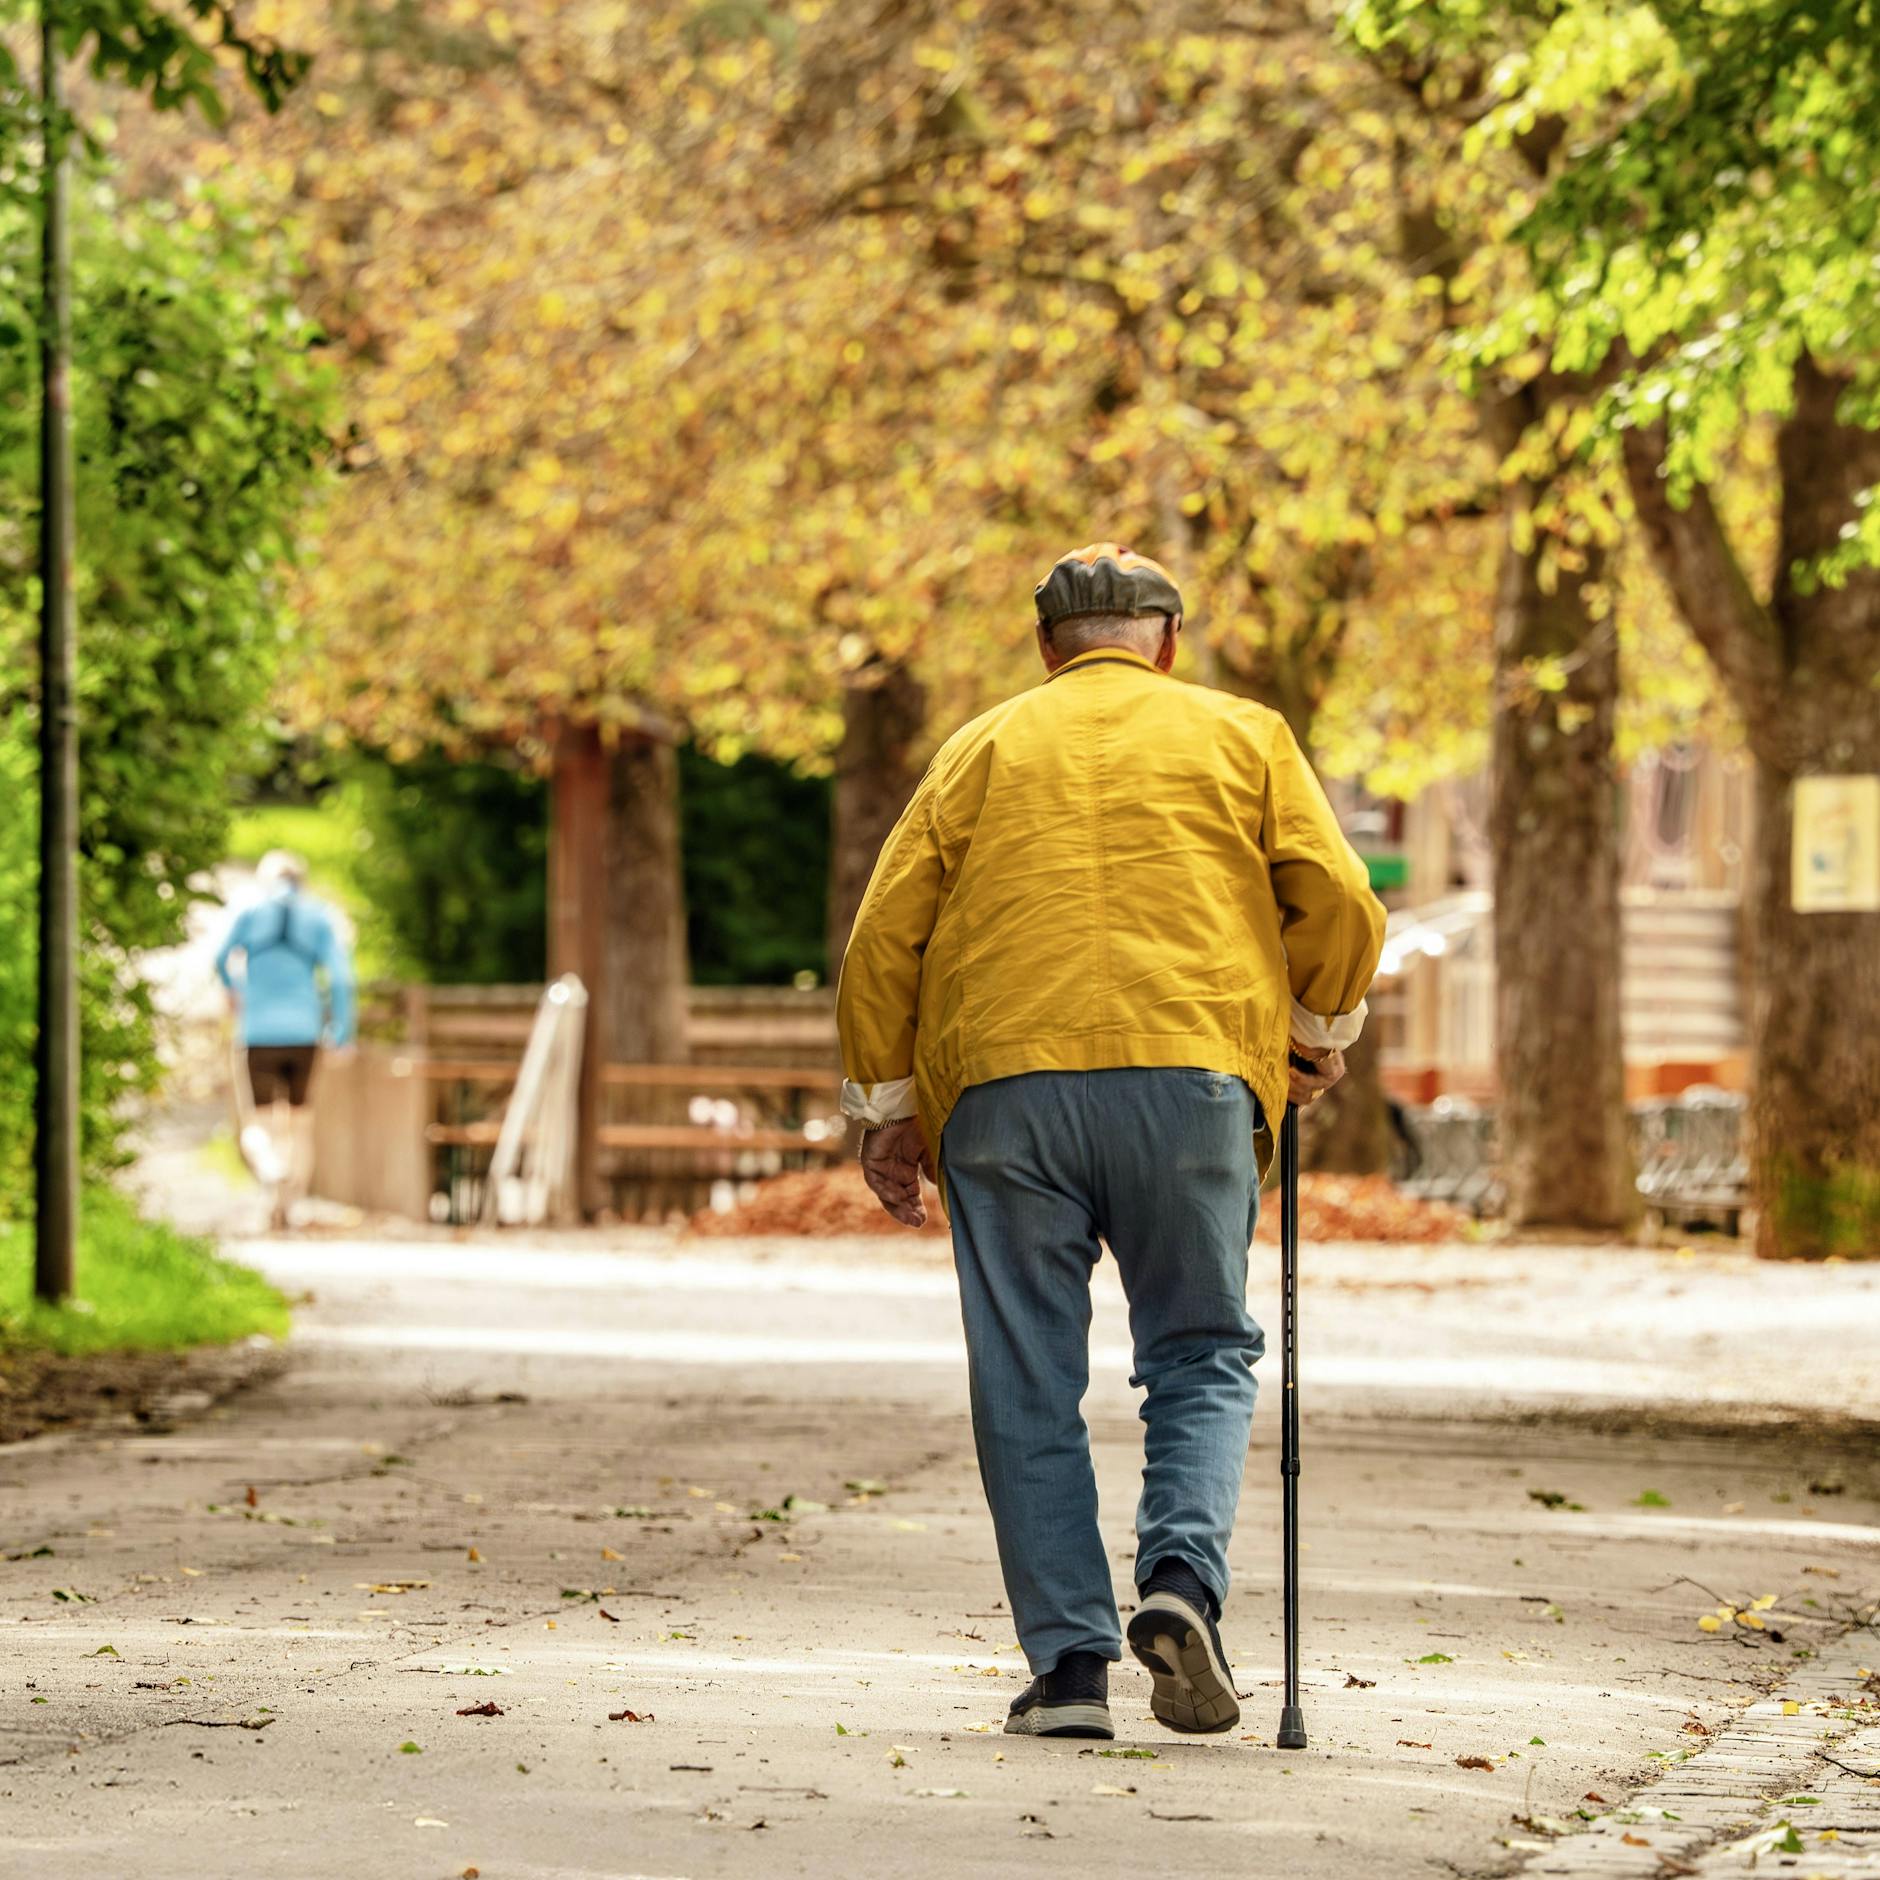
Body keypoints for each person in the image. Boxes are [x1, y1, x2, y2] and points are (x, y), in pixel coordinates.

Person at [836, 544, 1385, 1741]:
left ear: (1046, 651)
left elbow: (884, 936)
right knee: (1197, 1346)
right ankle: (1180, 1581)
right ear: (1167, 642)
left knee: (1025, 1369)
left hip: (1004, 1090)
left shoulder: (978, 749)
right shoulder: (1243, 737)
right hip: (1187, 1078)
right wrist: (1312, 1027)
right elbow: (1337, 895)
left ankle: (1070, 1668)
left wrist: (885, 1107)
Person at [214, 849, 356, 1231]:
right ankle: (289, 1208)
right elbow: (341, 980)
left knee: (258, 1125)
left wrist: (234, 989)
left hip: (258, 1033)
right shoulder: (319, 918)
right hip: (305, 1034)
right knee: (298, 1125)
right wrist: (343, 1032)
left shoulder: (249, 913)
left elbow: (220, 957)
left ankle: (270, 1169)